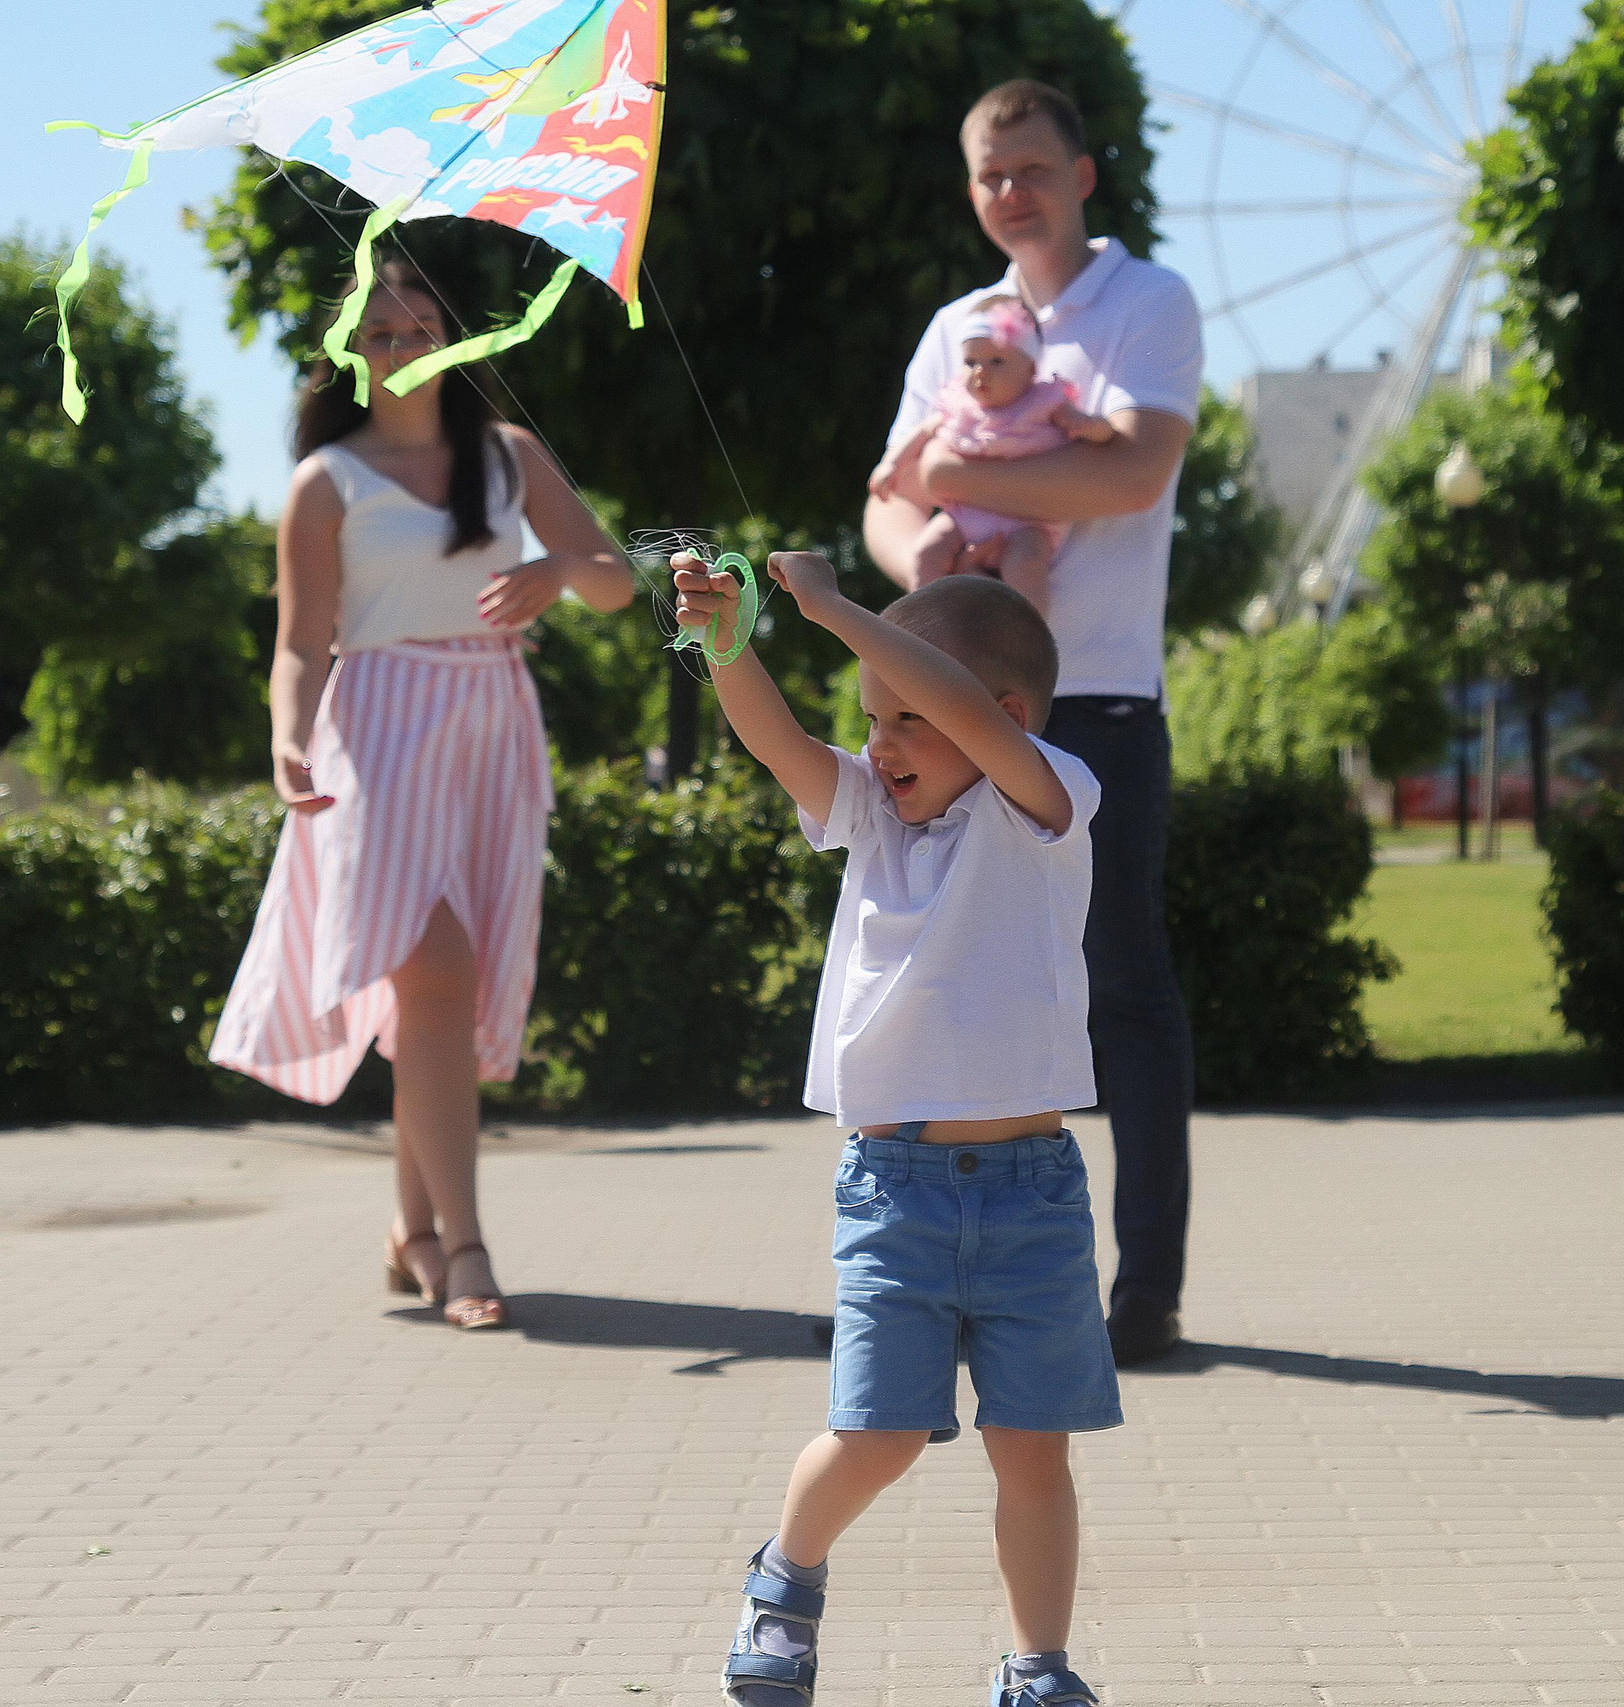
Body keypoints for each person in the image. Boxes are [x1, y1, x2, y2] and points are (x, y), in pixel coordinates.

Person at [673, 550, 1119, 1707]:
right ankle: (784, 1581)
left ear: (1001, 718)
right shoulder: (869, 812)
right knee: (875, 1432)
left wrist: (835, 607)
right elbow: (774, 737)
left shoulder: (1048, 800)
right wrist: (732, 637)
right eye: (871, 718)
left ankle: (1038, 1668)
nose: (880, 742)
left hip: (1032, 1193)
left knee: (1033, 1449)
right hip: (895, 1188)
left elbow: (967, 711)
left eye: (905, 716)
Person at [209, 262, 637, 1330]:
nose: (407, 344)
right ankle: (465, 1247)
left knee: (445, 988)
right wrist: (286, 740)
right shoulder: (325, 482)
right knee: (434, 966)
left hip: (492, 720)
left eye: (425, 325)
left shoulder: (509, 455)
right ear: (349, 354)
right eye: (384, 331)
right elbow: (301, 645)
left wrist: (557, 573)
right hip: (379, 728)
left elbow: (615, 578)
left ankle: (410, 1230)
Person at [865, 79, 1202, 1367]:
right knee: (956, 983)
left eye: (1032, 169)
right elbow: (887, 505)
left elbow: (1128, 472)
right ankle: (965, 1280)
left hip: (1100, 698)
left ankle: (1148, 1289)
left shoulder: (1145, 305)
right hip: (959, 710)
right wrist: (924, 550)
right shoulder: (955, 324)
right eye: (989, 174)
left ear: (1082, 177)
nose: (1012, 192)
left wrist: (958, 472)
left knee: (1124, 992)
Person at [867, 293, 1116, 612]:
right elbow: (921, 433)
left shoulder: (1045, 404)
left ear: (1029, 368)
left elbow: (1107, 433)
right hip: (964, 515)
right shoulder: (958, 405)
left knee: (1025, 566)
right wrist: (891, 465)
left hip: (1028, 520)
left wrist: (1088, 425)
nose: (980, 372)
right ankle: (929, 620)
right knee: (926, 551)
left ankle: (1028, 634)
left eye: (996, 361)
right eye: (971, 362)